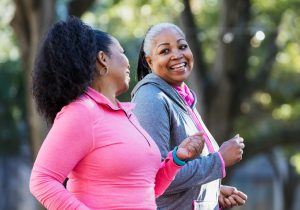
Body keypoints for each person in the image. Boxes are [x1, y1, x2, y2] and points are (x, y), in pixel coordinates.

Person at [29, 17, 206, 210]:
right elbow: (42, 180)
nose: (128, 62)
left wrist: (177, 158)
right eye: (121, 53)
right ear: (103, 58)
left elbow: (146, 188)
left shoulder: (128, 115)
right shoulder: (81, 112)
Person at [131, 23, 248, 210]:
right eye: (165, 51)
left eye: (182, 46)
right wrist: (219, 160)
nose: (177, 55)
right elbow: (155, 177)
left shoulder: (182, 97)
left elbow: (184, 173)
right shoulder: (152, 99)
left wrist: (211, 192)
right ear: (149, 61)